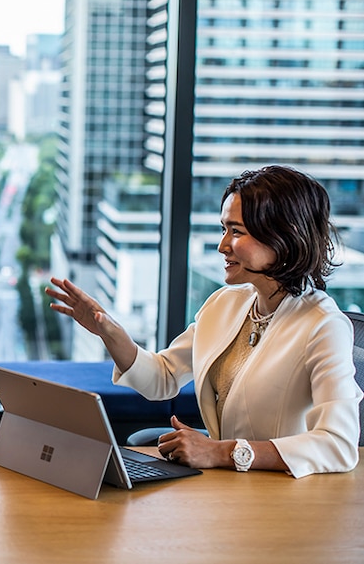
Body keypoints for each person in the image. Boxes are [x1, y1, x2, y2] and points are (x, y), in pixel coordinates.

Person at [45, 165, 361, 478]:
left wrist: (219, 451)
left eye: (236, 232)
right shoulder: (225, 304)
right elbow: (161, 378)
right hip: (225, 488)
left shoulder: (323, 325)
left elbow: (338, 444)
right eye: (224, 229)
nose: (223, 245)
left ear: (282, 236)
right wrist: (108, 332)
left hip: (280, 500)